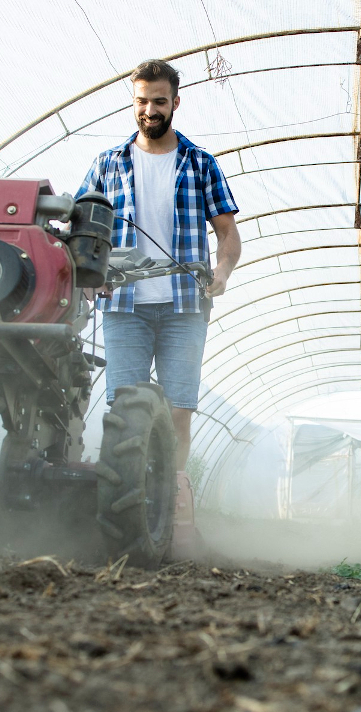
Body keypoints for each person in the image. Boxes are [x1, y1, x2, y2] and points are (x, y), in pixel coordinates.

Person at [76, 58, 241, 506]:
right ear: (134, 102)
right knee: (123, 411)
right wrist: (87, 275)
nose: (150, 110)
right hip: (123, 304)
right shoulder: (106, 165)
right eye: (142, 102)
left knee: (178, 412)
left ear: (176, 103)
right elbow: (83, 233)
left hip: (185, 305)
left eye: (159, 102)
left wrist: (222, 271)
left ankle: (167, 506)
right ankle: (123, 502)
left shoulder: (200, 163)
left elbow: (227, 233)